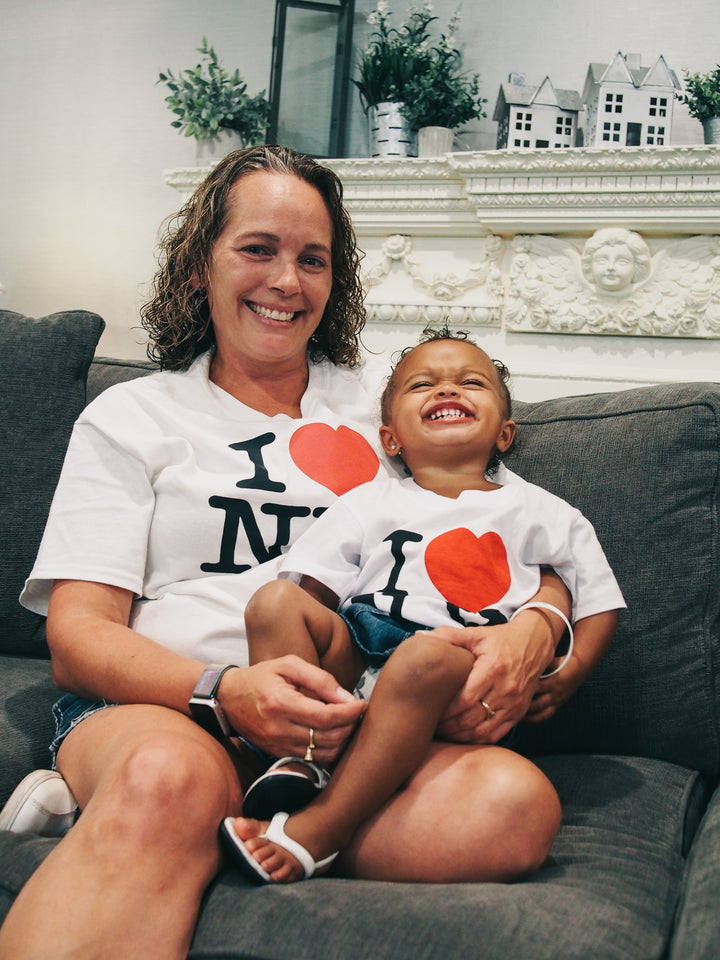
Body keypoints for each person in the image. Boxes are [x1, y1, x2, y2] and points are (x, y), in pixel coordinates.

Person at [0, 146, 571, 960]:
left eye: (312, 259)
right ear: (200, 265)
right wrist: (226, 694)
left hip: (352, 727)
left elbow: (520, 525)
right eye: (258, 249)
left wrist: (539, 626)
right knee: (170, 780)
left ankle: (201, 820)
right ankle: (178, 804)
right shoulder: (135, 416)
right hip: (170, 707)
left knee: (512, 808)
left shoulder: (389, 400)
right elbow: (78, 634)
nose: (286, 281)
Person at [221, 330, 625, 884]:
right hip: (363, 658)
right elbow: (312, 589)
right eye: (423, 384)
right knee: (272, 603)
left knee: (424, 658)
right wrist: (302, 648)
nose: (446, 390)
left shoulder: (542, 511)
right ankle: (302, 758)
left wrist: (570, 674)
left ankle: (322, 831)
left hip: (460, 675)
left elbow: (599, 601)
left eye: (470, 382)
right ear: (390, 438)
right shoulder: (367, 503)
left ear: (505, 433)